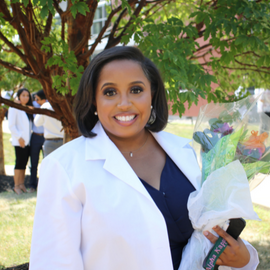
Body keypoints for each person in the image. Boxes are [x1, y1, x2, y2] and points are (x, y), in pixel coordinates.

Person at [30, 47, 258, 270]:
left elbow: (208, 230)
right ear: (93, 100)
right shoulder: (63, 168)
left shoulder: (183, 151)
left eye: (136, 90)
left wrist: (244, 258)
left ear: (153, 94)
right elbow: (53, 263)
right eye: (110, 92)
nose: (124, 103)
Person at [8, 88, 33, 195]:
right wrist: (19, 138)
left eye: (27, 95)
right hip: (20, 141)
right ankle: (16, 186)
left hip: (28, 141)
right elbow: (11, 125)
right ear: (18, 96)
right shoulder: (14, 107)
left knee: (24, 163)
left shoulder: (28, 108)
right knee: (19, 163)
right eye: (23, 95)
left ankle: (22, 184)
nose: (26, 97)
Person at [29, 90, 46, 193]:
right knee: (34, 163)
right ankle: (32, 185)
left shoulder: (48, 106)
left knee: (46, 163)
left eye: (37, 98)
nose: (36, 100)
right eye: (34, 98)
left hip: (46, 137)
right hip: (35, 136)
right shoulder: (34, 105)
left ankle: (43, 186)